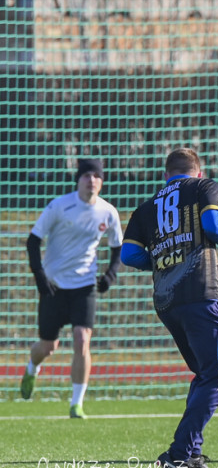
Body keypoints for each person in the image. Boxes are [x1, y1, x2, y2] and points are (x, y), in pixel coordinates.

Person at [120, 148, 218, 468]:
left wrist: (160, 260)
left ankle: (194, 453)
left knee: (204, 374)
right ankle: (179, 453)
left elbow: (129, 255)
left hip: (167, 303)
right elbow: (214, 226)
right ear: (197, 172)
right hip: (200, 295)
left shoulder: (147, 207)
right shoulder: (204, 189)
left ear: (166, 175)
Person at [21, 158, 123, 419]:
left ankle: (76, 404)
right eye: (86, 175)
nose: (91, 180)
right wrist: (40, 277)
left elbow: (117, 247)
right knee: (48, 347)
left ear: (102, 181)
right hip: (54, 286)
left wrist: (110, 274)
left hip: (84, 287)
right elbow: (33, 242)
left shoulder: (108, 212)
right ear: (78, 180)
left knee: (82, 339)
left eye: (96, 176)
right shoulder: (59, 206)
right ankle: (32, 367)